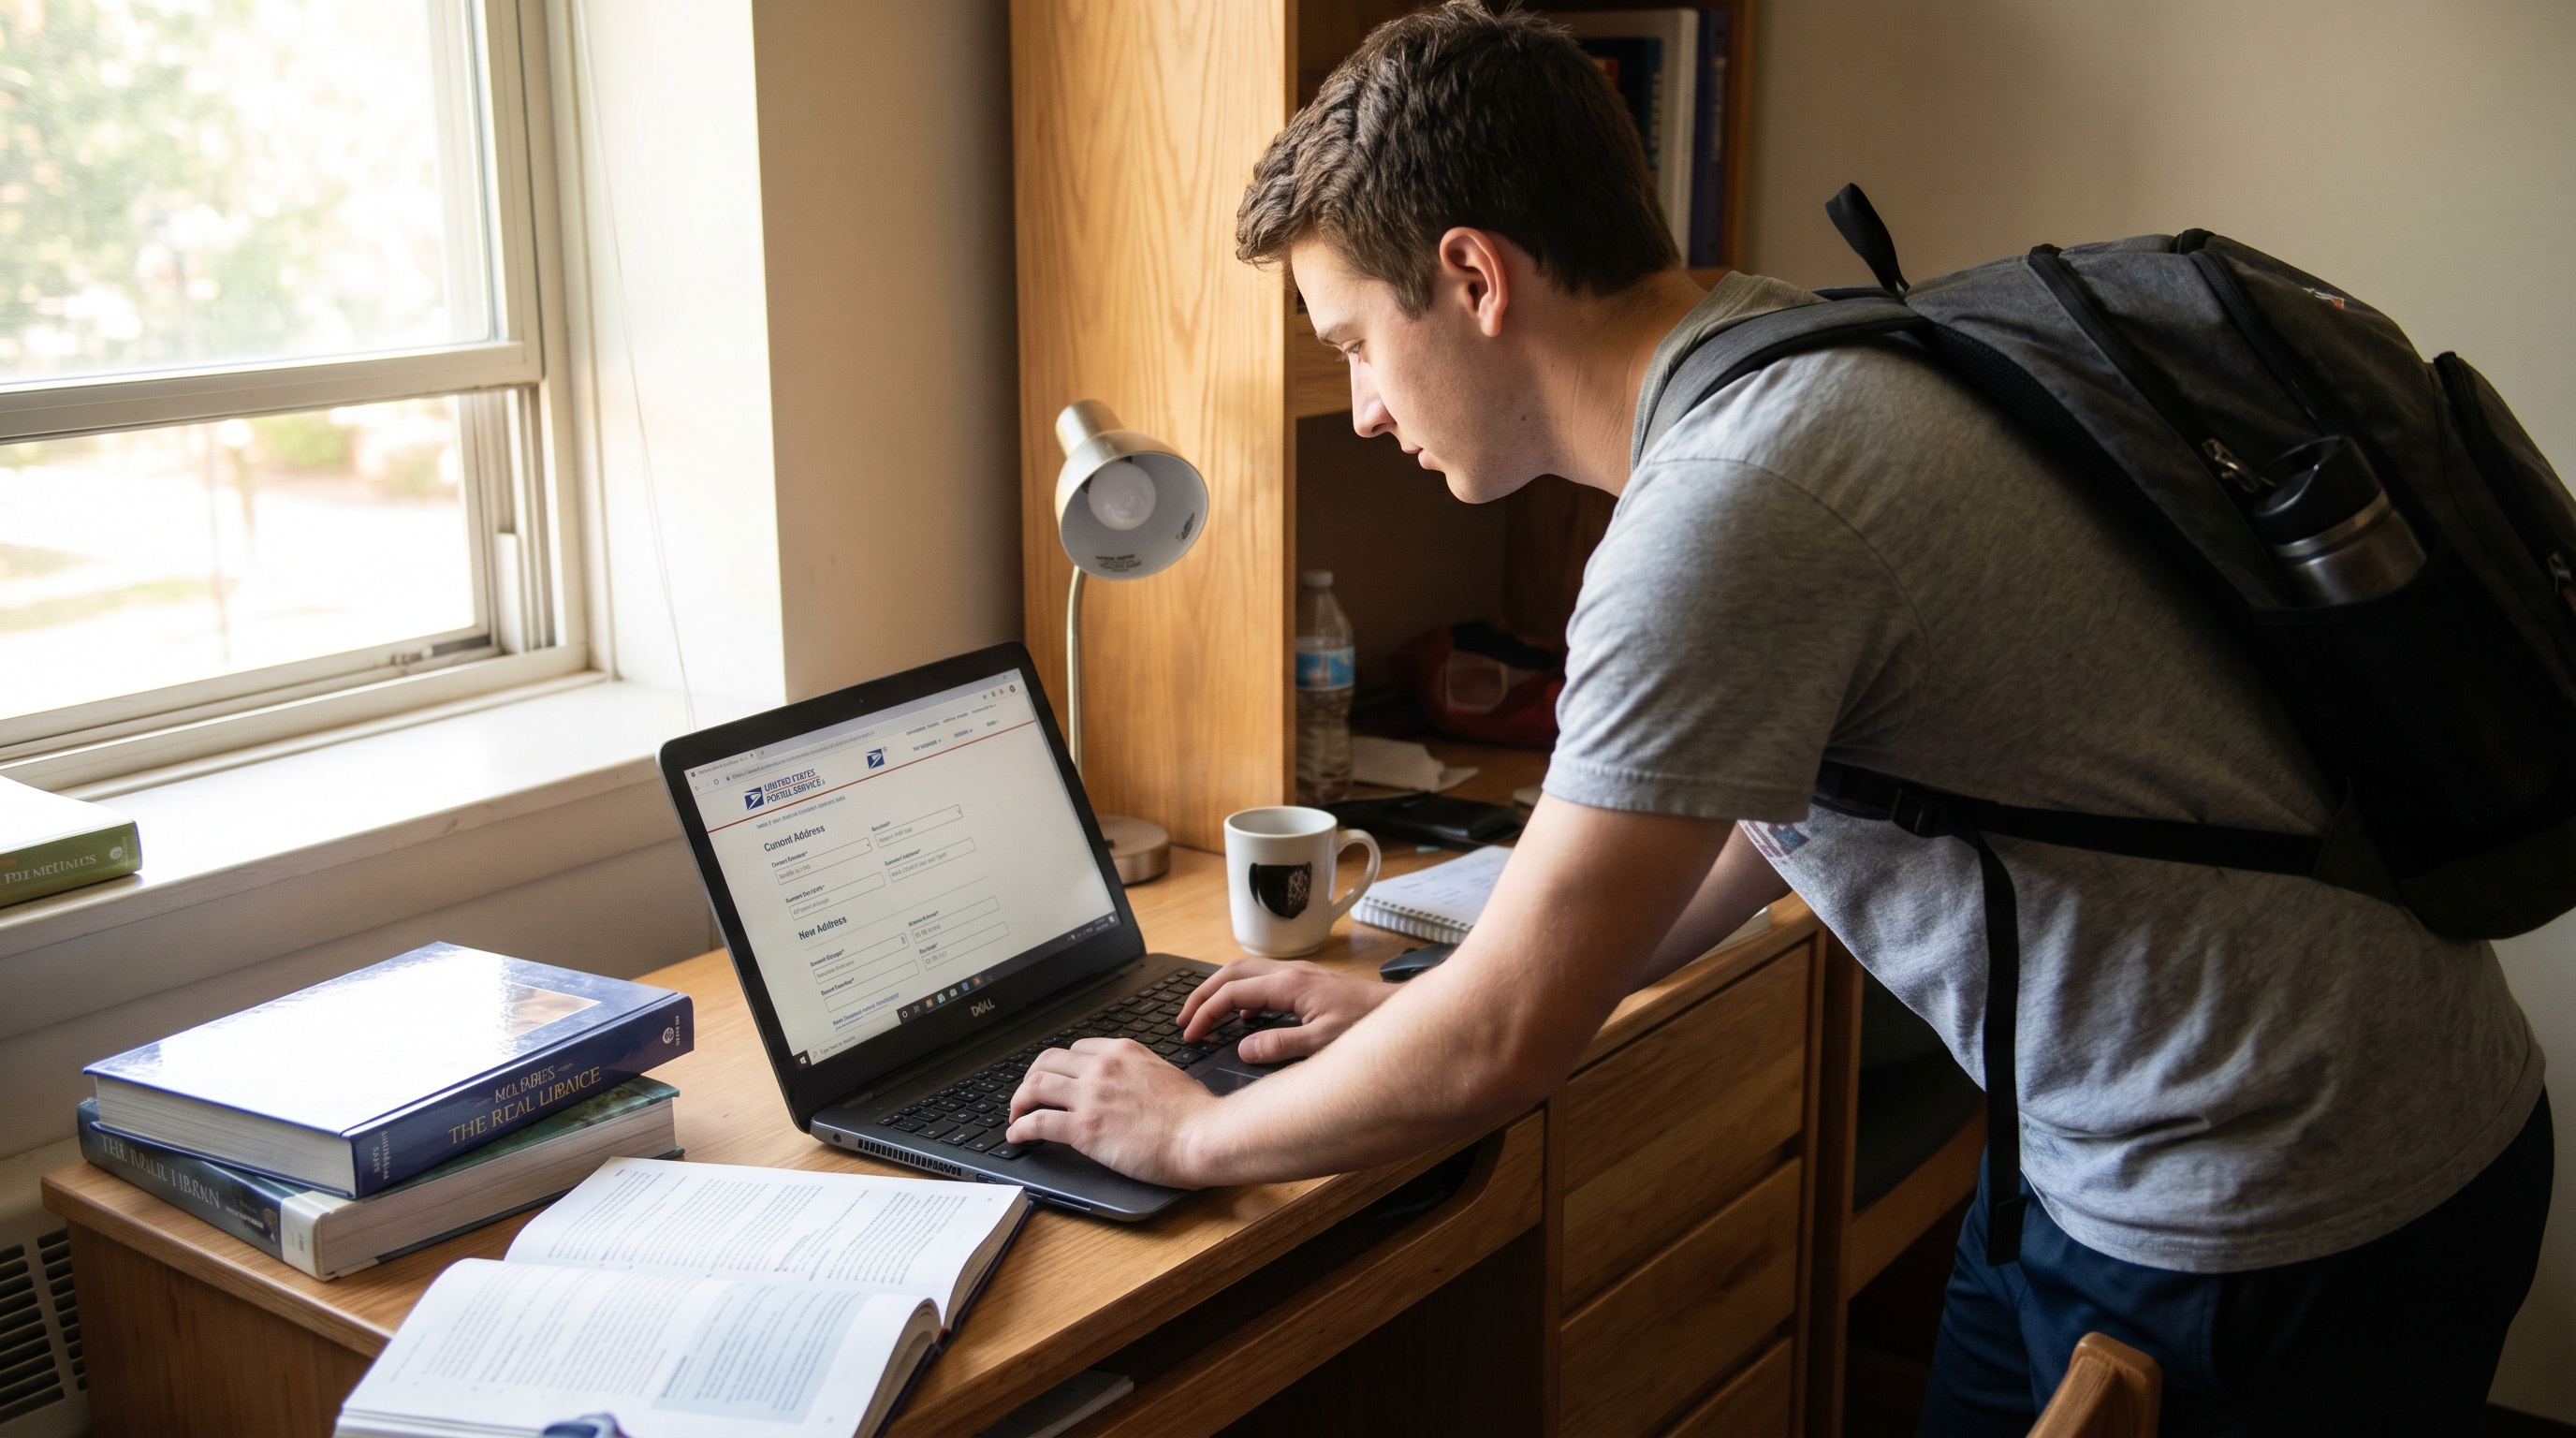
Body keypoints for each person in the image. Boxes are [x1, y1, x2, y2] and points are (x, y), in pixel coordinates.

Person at [1003, 5, 2551, 1432]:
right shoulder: (1790, 344)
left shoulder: (1728, 507)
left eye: (1353, 343)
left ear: (1474, 279)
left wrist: (1189, 1140)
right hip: (2148, 1146)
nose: (1361, 410)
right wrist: (1426, 999)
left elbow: (1507, 1045)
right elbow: (1767, 805)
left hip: (2274, 1200)